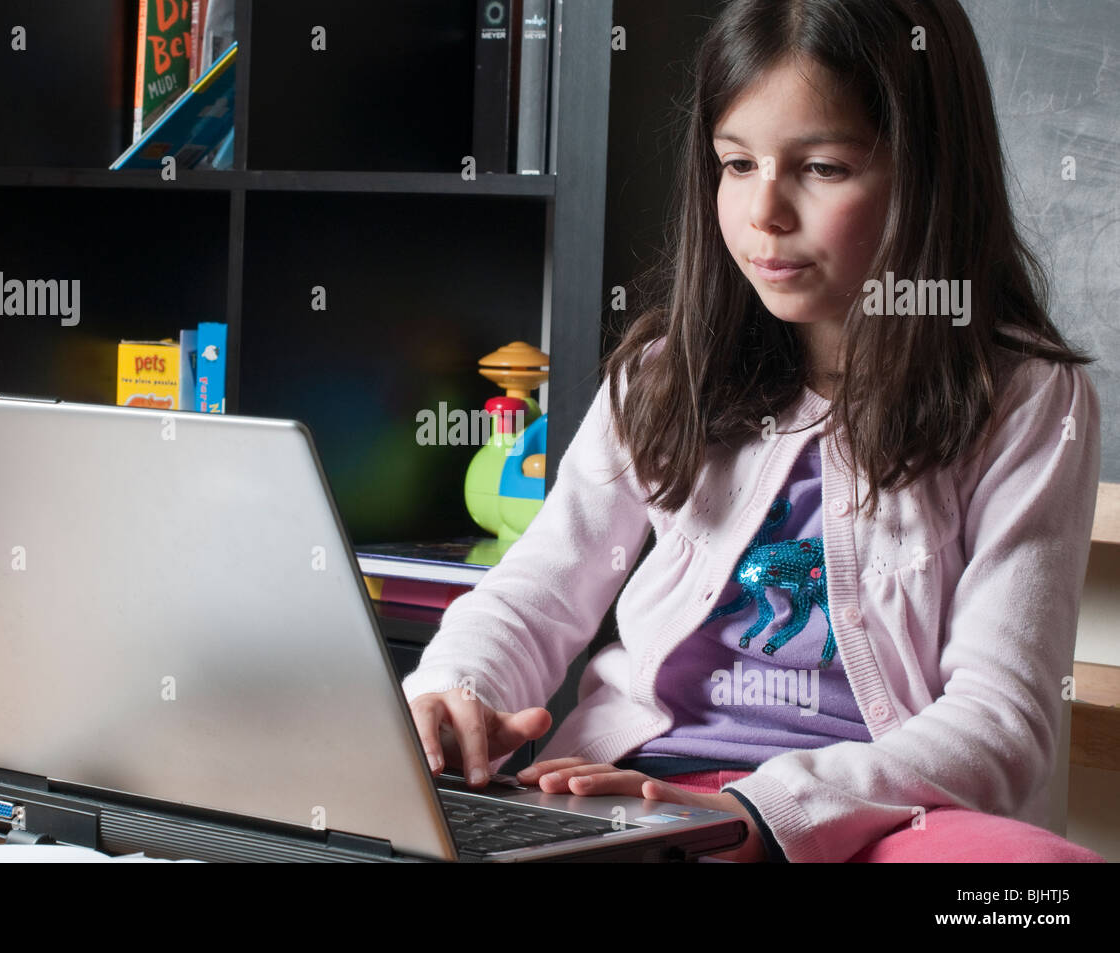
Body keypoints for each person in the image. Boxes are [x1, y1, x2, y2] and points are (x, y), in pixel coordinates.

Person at [403, 0, 1105, 862]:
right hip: (636, 787)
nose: (764, 210)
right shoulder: (667, 373)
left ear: (927, 174)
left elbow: (1000, 720)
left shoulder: (1028, 398)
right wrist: (453, 688)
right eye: (737, 163)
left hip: (885, 814)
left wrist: (760, 810)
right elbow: (536, 593)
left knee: (1034, 883)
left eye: (822, 167)